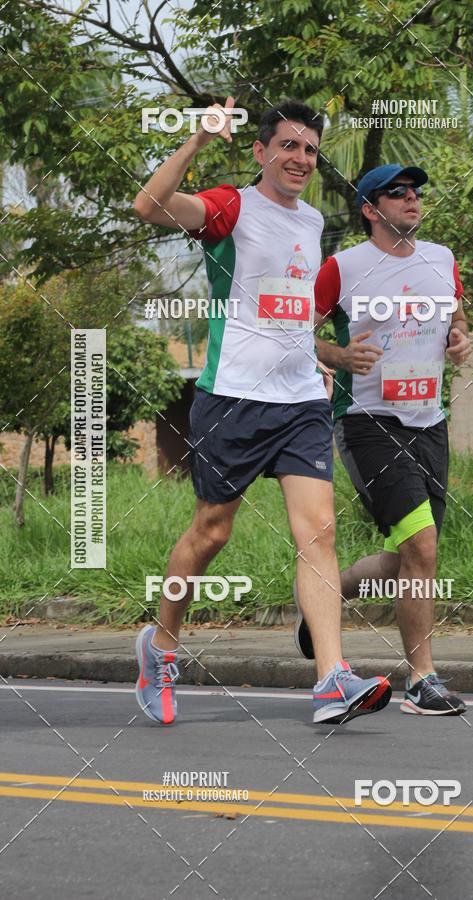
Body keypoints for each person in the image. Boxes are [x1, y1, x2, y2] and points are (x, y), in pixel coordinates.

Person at [132, 99, 391, 726]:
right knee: (210, 534)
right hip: (234, 400)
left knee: (319, 532)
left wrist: (320, 355)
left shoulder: (310, 222)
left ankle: (331, 679)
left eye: (309, 149)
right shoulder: (231, 206)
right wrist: (196, 138)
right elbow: (149, 206)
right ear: (261, 151)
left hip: (301, 399)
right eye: (288, 147)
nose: (300, 159)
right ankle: (161, 646)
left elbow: (291, 315)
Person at [294, 162, 470, 715]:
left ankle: (329, 592)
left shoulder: (441, 260)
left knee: (411, 555)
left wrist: (461, 339)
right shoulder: (342, 268)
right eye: (397, 193)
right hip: (367, 421)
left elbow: (456, 318)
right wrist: (340, 356)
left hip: (429, 421)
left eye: (417, 190)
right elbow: (294, 331)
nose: (412, 198)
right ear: (372, 210)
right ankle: (422, 681)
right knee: (421, 545)